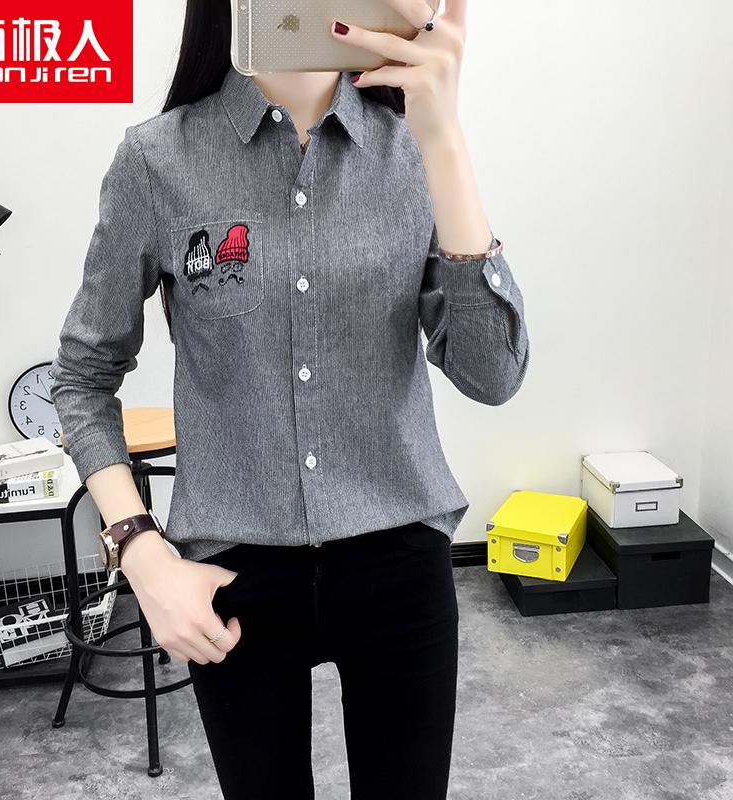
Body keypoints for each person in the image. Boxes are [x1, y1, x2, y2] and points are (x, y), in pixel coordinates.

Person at [50, 1, 530, 797]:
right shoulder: (157, 161)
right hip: (231, 578)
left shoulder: (414, 150)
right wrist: (141, 551)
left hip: (399, 560)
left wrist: (445, 137)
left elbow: (493, 374)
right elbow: (81, 376)